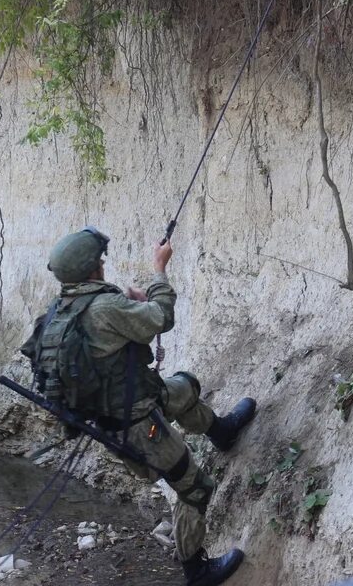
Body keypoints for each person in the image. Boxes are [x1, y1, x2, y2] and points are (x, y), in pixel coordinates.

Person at [22, 226, 257, 586]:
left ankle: (221, 431)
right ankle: (196, 571)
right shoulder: (103, 307)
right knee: (195, 489)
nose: (103, 265)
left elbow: (106, 331)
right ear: (92, 269)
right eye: (100, 261)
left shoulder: (62, 311)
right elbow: (162, 317)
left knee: (184, 389)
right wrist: (159, 269)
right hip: (138, 427)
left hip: (126, 407)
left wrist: (130, 303)